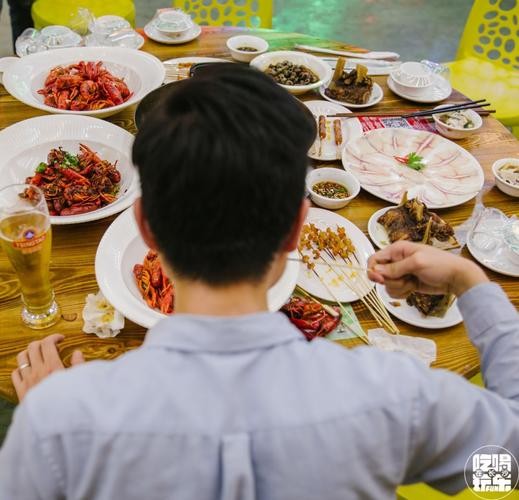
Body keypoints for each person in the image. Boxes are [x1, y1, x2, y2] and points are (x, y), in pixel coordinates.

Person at [0, 64, 518, 499]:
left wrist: (53, 418)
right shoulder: (396, 400)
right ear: (297, 227)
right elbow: (504, 467)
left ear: (145, 228)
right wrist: (472, 282)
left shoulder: (61, 421)